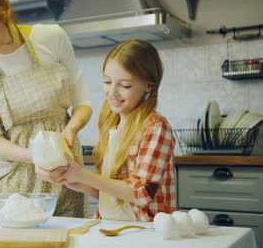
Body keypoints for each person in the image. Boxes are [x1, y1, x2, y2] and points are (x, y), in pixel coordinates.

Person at [0, 0, 92, 217]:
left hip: (62, 169)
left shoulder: (51, 37)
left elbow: (83, 103)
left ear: (4, 10)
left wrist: (70, 131)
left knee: (63, 243)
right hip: (8, 174)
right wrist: (38, 155)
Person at [36, 39, 176, 221]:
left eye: (125, 85)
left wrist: (84, 175)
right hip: (110, 226)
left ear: (149, 85)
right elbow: (113, 193)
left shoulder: (155, 127)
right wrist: (78, 182)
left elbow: (140, 193)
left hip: (145, 231)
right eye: (107, 82)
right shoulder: (111, 122)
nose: (112, 92)